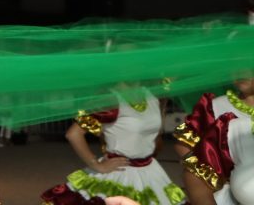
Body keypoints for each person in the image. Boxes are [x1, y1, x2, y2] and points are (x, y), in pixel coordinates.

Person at [41, 86, 185, 205]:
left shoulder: (151, 94)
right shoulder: (109, 99)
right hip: (120, 171)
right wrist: (96, 165)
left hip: (151, 171)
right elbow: (73, 134)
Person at [175, 75, 254, 204]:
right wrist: (217, 171)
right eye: (236, 66)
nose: (241, 73)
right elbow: (183, 145)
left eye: (249, 67)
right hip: (227, 195)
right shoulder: (216, 107)